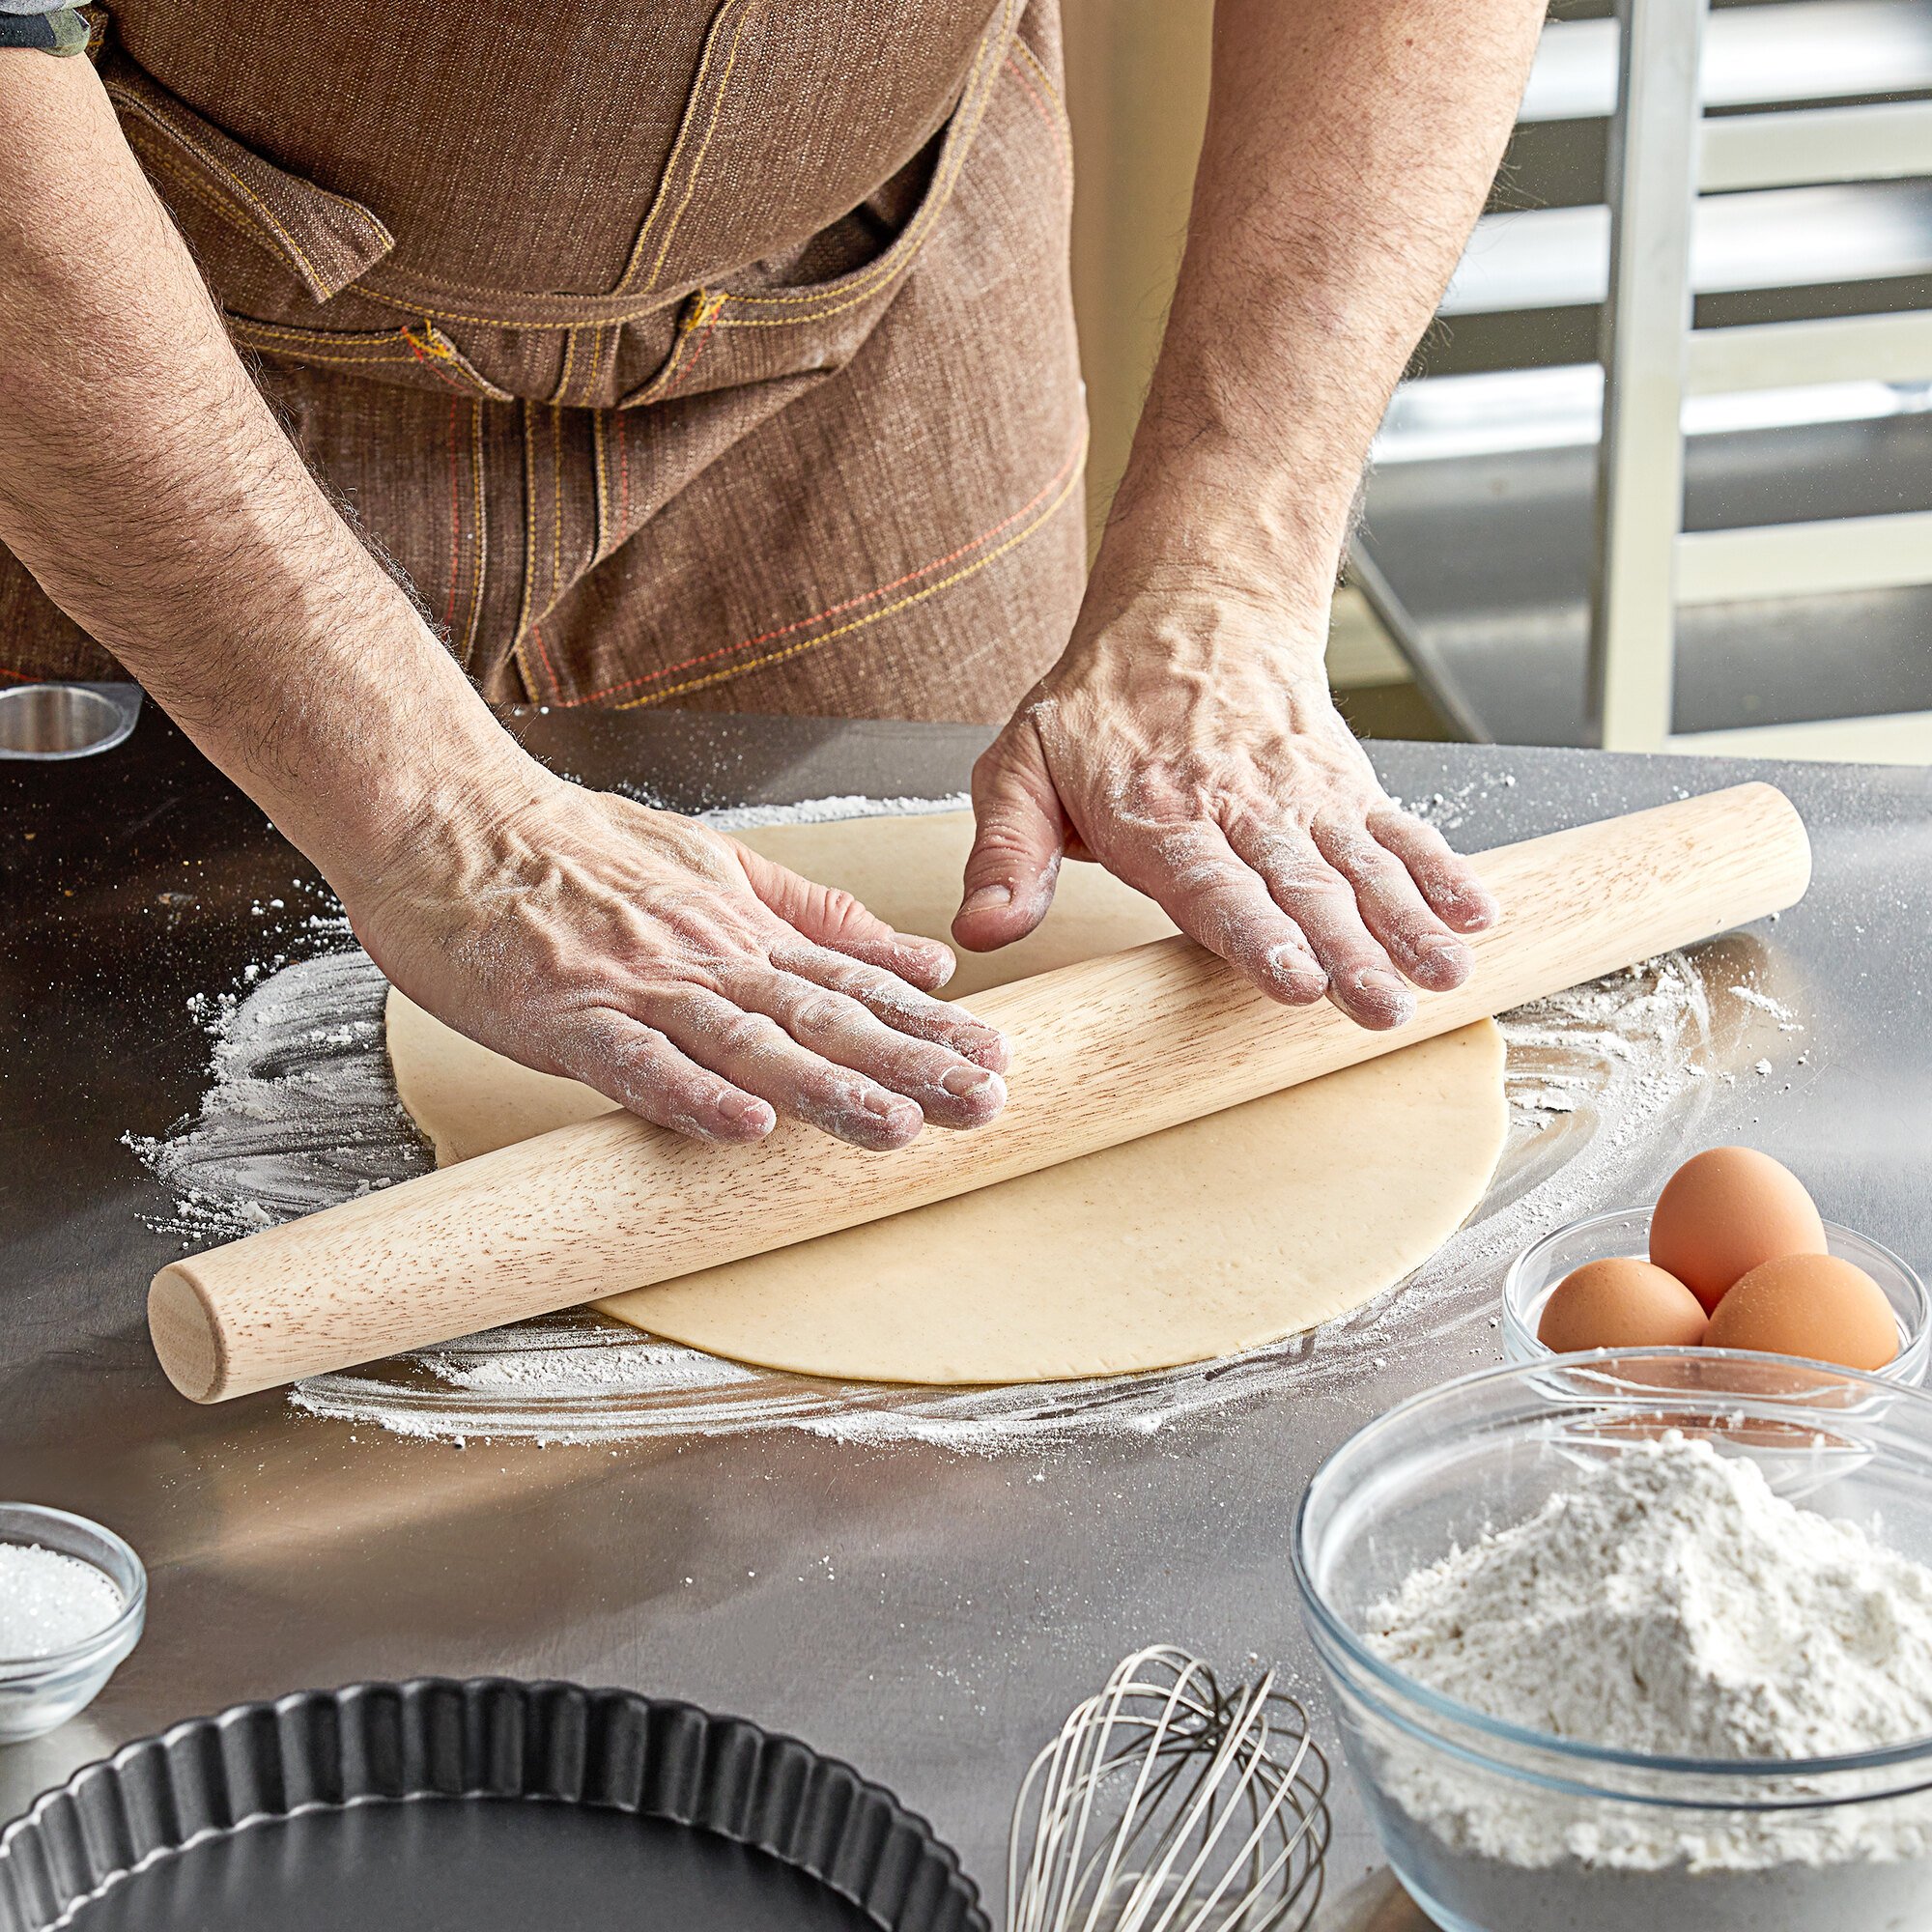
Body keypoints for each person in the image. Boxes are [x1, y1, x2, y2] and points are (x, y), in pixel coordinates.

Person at [0, 0, 1543, 1151]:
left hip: (866, 321)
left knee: (950, 1065)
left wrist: (1226, 568)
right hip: (114, 364)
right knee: (79, 1147)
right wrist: (438, 818)